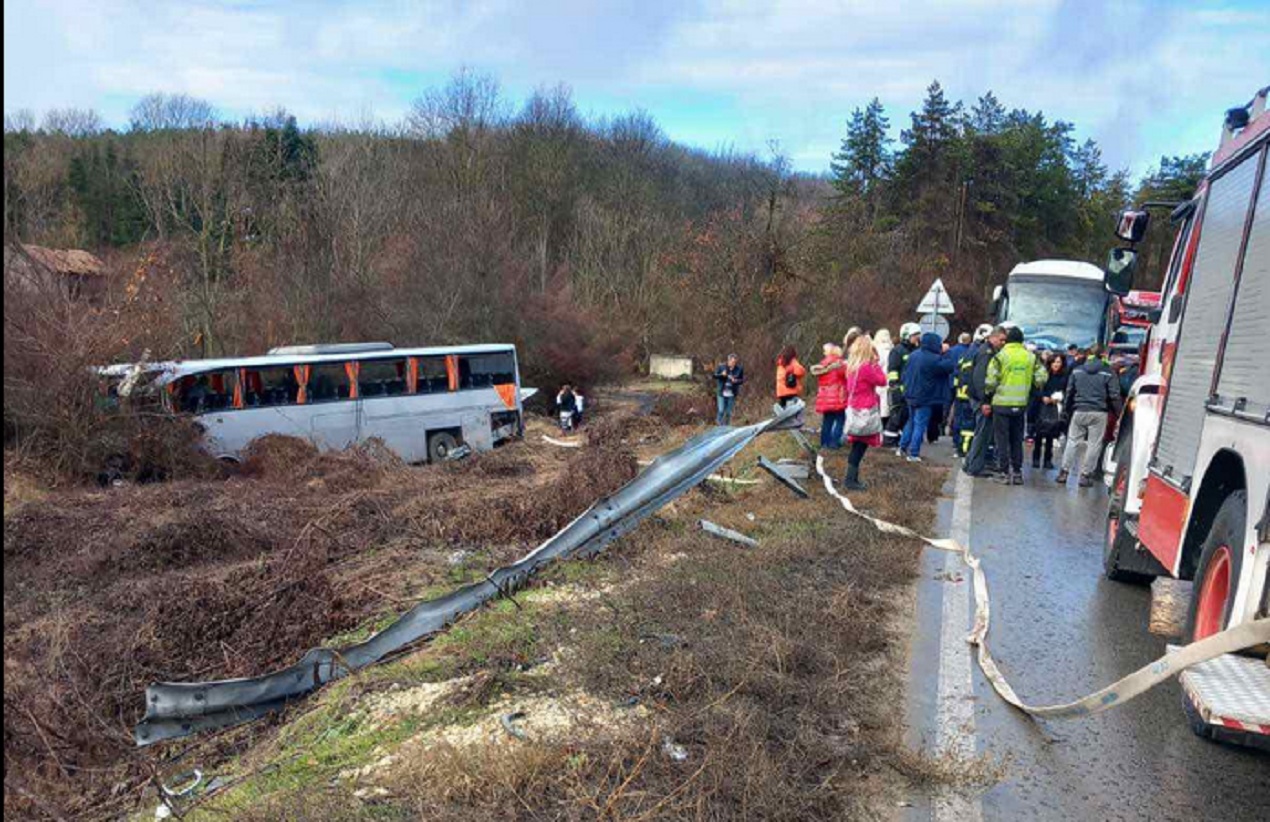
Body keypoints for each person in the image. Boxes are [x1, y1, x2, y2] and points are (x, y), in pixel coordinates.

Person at [985, 326, 1047, 485]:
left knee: (1002, 440)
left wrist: (988, 393)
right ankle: (1018, 472)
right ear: (1021, 340)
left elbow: (991, 381)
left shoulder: (999, 357)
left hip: (1001, 404)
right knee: (1016, 439)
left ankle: (1004, 472)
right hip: (1020, 404)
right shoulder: (1031, 357)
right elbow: (1041, 378)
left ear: (1007, 340)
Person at [1057, 346, 1123, 487]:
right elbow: (1114, 395)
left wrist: (1065, 410)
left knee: (1072, 441)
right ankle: (1085, 476)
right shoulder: (1109, 372)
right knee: (1094, 444)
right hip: (1099, 412)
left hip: (1079, 410)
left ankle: (1064, 472)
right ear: (1104, 355)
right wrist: (1120, 414)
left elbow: (1069, 392)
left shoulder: (1077, 370)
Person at [897, 331, 956, 462]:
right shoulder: (934, 359)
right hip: (925, 397)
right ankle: (913, 453)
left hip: (910, 394)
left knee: (911, 422)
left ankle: (901, 447)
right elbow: (950, 366)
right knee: (920, 425)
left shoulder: (913, 355)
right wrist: (946, 352)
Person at [841, 335, 888, 490]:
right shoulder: (866, 367)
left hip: (854, 407)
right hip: (865, 409)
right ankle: (850, 480)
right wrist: (876, 364)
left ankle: (852, 478)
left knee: (857, 445)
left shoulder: (851, 367)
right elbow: (882, 381)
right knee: (860, 446)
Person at [963, 325, 1006, 477]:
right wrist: (985, 401)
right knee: (982, 434)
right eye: (1001, 340)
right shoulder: (987, 353)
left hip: (978, 398)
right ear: (993, 337)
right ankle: (974, 467)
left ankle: (970, 463)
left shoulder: (986, 351)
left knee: (981, 433)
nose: (1003, 343)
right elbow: (980, 379)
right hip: (981, 399)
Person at [884, 323, 921, 447]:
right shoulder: (898, 351)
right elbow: (893, 369)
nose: (917, 338)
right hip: (899, 390)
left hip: (911, 390)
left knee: (905, 417)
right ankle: (889, 441)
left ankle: (900, 440)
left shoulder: (916, 350)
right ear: (906, 336)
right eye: (915, 335)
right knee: (896, 417)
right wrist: (895, 386)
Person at [1032, 356, 1068, 470]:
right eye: (1054, 362)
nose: (1056, 364)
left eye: (1059, 362)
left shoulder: (1064, 377)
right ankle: (1036, 459)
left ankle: (1048, 459)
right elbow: (1035, 389)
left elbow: (1066, 391)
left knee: (1051, 434)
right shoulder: (1044, 375)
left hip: (1055, 407)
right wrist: (1042, 397)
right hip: (1041, 406)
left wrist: (1058, 399)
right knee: (1039, 433)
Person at [811, 343, 846, 449]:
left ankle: (824, 443)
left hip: (825, 397)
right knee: (840, 419)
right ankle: (834, 442)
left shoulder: (822, 365)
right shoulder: (840, 364)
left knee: (827, 420)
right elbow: (846, 377)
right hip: (837, 396)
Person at [714, 354, 745, 425]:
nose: (733, 364)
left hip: (731, 393)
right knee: (721, 410)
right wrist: (722, 374)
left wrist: (736, 381)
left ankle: (726, 427)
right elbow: (715, 376)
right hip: (722, 393)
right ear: (728, 361)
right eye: (732, 362)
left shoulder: (739, 369)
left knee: (728, 412)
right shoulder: (721, 367)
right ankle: (719, 425)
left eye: (734, 362)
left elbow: (742, 380)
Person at [873, 329, 894, 423]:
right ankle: (885, 422)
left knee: (878, 403)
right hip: (889, 379)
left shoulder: (876, 350)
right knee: (886, 404)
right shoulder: (892, 350)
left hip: (878, 380)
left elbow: (876, 365)